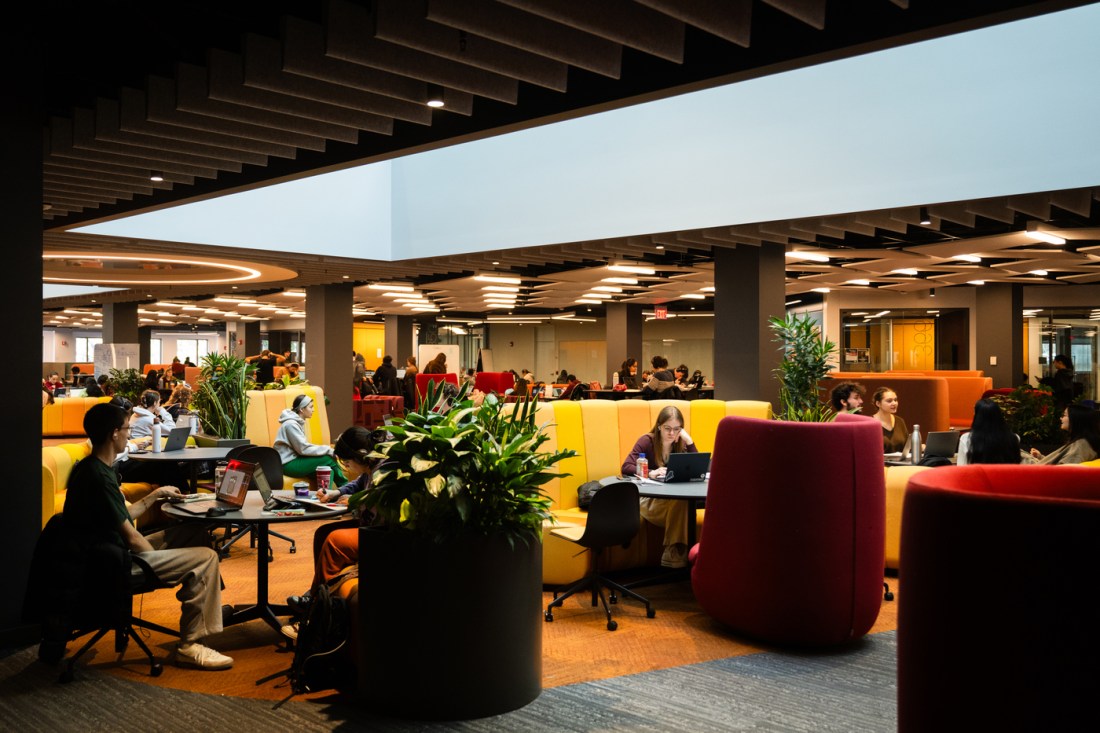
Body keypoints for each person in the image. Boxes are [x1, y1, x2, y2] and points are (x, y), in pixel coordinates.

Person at [64, 403, 232, 669]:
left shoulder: (95, 468)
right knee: (206, 557)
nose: (129, 434)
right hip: (116, 562)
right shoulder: (98, 477)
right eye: (127, 428)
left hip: (112, 551)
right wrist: (164, 560)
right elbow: (132, 538)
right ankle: (190, 645)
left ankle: (208, 604)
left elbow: (123, 516)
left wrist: (155, 495)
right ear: (113, 433)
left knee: (193, 532)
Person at [281, 426, 384, 639]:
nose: (346, 467)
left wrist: (354, 504)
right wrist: (336, 493)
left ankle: (315, 615)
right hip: (369, 526)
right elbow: (358, 484)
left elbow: (375, 506)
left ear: (360, 456)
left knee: (335, 540)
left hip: (380, 533)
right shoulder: (371, 467)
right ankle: (316, 595)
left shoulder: (383, 471)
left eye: (347, 462)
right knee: (323, 533)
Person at [621, 406, 698, 569]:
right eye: (667, 428)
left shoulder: (680, 445)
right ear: (659, 427)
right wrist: (650, 473)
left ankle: (673, 553)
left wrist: (689, 441)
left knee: (682, 502)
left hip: (673, 502)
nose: (671, 433)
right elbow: (626, 467)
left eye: (676, 429)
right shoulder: (647, 441)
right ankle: (675, 553)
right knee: (682, 505)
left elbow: (698, 468)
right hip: (647, 500)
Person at [275, 393, 347, 485]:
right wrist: (328, 450)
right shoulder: (291, 424)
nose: (313, 410)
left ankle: (324, 496)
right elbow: (303, 448)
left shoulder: (296, 422)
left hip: (295, 460)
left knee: (327, 471)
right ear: (302, 409)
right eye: (311, 407)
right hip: (287, 464)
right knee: (328, 459)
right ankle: (346, 487)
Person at [1027, 404, 1100, 465]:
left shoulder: (1080, 446)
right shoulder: (1081, 443)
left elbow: (1065, 469)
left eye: (1064, 415)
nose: (1061, 418)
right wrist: (1040, 457)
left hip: (1036, 472)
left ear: (1075, 420)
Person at [957, 399, 1021, 465]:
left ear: (977, 417)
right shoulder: (1014, 438)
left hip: (976, 475)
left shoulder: (966, 439)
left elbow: (961, 467)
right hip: (1006, 475)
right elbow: (1016, 465)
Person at [871, 387, 909, 454]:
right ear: (878, 404)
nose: (894, 403)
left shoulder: (900, 421)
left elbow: (907, 447)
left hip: (901, 463)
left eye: (895, 400)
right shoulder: (870, 423)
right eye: (889, 401)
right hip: (880, 463)